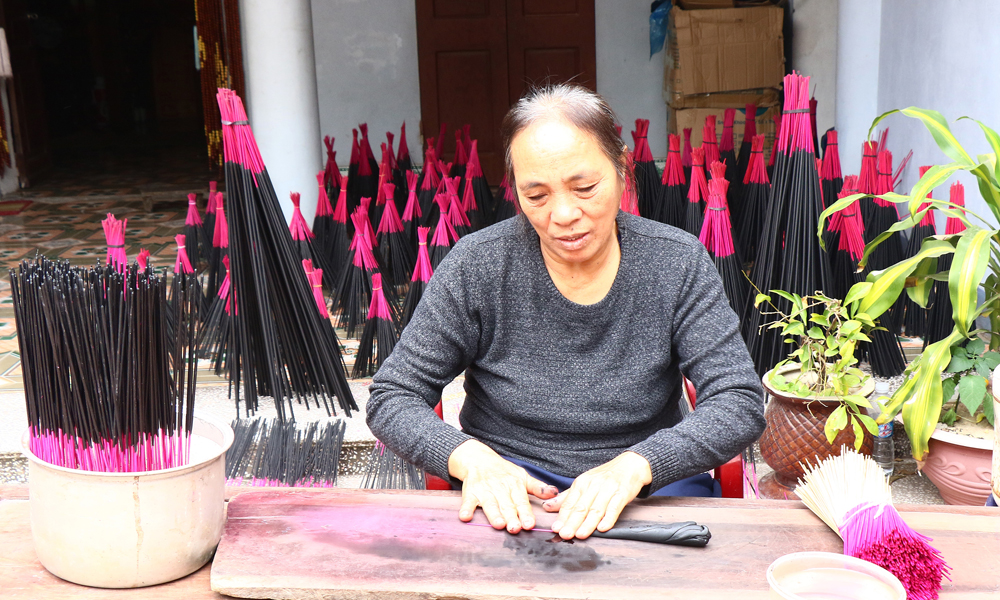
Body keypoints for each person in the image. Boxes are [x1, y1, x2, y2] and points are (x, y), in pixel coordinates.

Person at [367, 83, 765, 541]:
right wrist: (471, 460)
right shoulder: (478, 266)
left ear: (623, 170)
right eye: (536, 196)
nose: (563, 214)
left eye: (585, 188)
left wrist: (637, 466)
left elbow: (738, 399)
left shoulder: (675, 262)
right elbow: (392, 395)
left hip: (646, 485)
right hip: (512, 486)